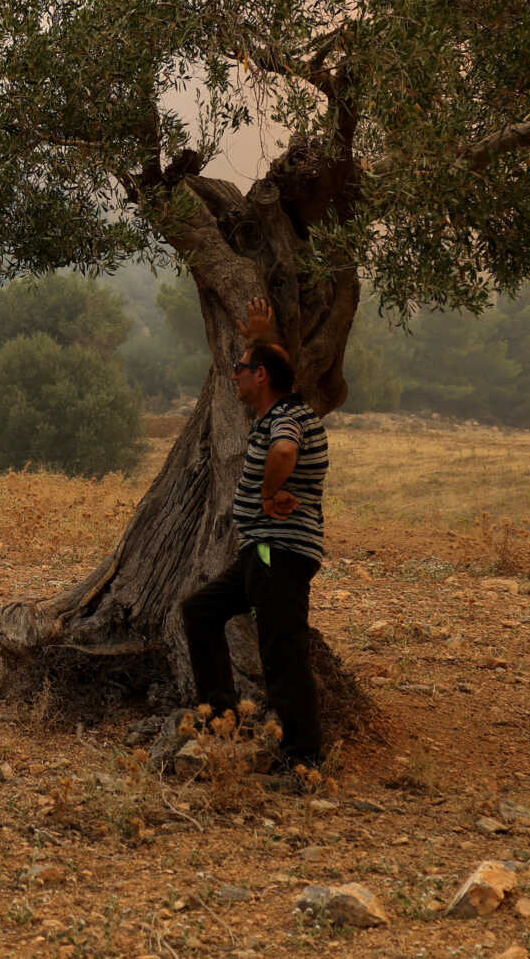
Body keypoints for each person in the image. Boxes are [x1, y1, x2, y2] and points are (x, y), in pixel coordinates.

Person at [177, 302, 332, 775]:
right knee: (199, 610)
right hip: (262, 552)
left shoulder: (286, 419)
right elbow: (277, 381)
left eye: (240, 369)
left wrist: (268, 493)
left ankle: (304, 760)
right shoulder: (285, 408)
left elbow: (284, 448)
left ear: (261, 377)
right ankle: (223, 720)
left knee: (282, 652)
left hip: (276, 552)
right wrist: (261, 337)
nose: (233, 376)